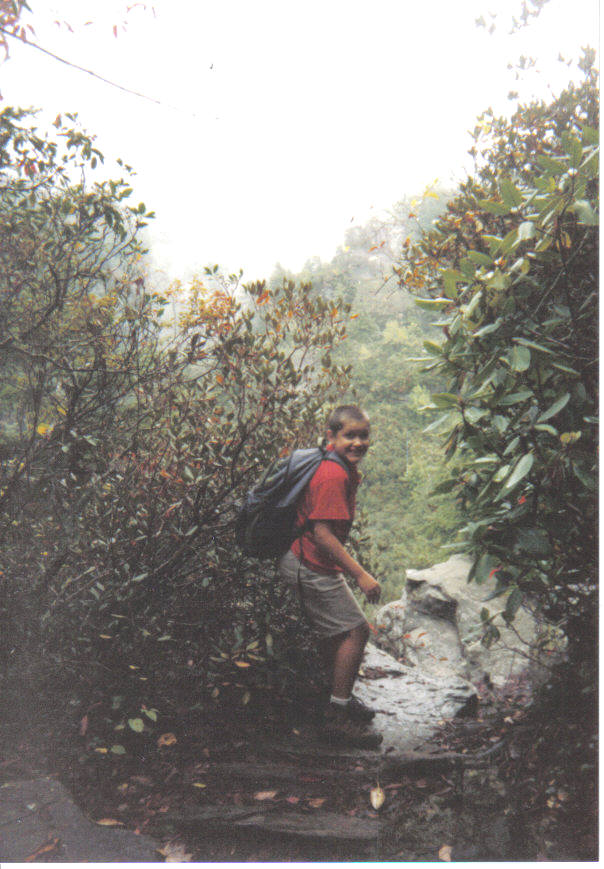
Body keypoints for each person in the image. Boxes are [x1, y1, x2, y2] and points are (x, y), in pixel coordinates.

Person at [278, 405, 383, 748]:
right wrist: (362, 576)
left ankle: (339, 696)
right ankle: (336, 718)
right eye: (349, 435)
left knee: (336, 634)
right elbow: (323, 534)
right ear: (331, 437)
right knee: (355, 630)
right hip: (308, 563)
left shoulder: (335, 464)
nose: (357, 442)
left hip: (309, 560)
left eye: (363, 435)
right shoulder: (333, 475)